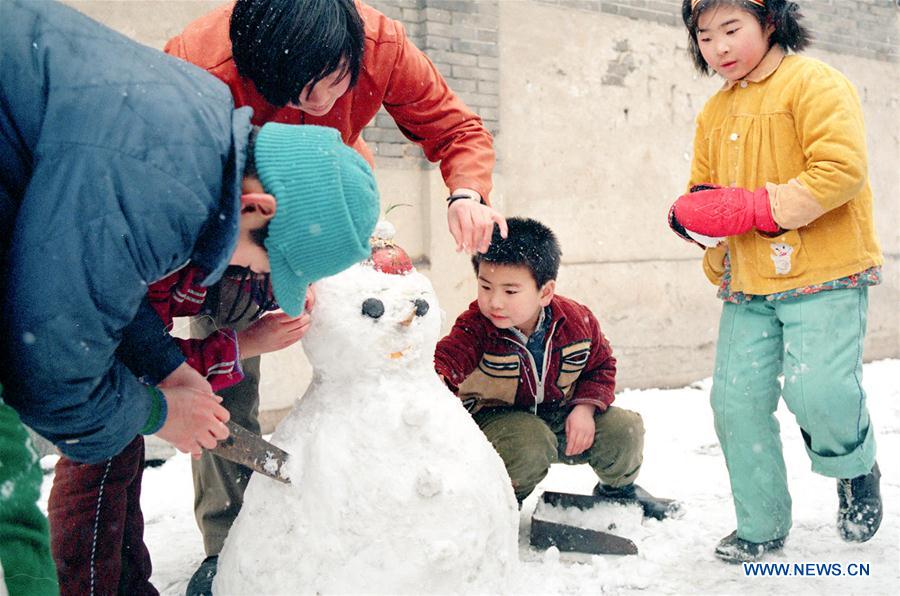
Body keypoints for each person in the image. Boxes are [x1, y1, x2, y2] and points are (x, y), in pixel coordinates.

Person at [0, 1, 380, 593]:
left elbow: (106, 298)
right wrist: (159, 413)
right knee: (11, 513)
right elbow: (51, 373)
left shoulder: (197, 135)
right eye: (264, 262)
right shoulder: (161, 186)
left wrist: (169, 367)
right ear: (256, 209)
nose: (250, 276)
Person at [164, 1, 508, 589]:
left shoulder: (385, 46)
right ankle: (228, 538)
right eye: (296, 94)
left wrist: (466, 193)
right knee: (223, 373)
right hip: (235, 227)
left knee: (369, 350)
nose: (318, 108)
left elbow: (456, 127)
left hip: (332, 217)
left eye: (331, 85)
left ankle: (383, 509)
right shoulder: (201, 65)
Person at [668, 0, 884, 564]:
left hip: (825, 273)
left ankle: (854, 468)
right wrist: (693, 218)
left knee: (819, 392)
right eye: (705, 36)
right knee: (734, 403)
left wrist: (760, 207)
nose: (718, 47)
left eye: (732, 29)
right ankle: (760, 522)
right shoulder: (714, 113)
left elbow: (840, 170)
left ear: (771, 22)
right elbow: (706, 193)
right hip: (750, 283)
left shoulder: (815, 84)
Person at [434, 218, 677, 519]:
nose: (494, 301)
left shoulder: (576, 322)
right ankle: (501, 505)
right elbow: (445, 361)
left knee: (623, 429)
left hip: (560, 416)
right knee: (530, 441)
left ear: (545, 292)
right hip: (499, 424)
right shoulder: (476, 327)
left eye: (510, 292)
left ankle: (618, 494)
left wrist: (585, 408)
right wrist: (438, 381)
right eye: (485, 286)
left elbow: (601, 366)